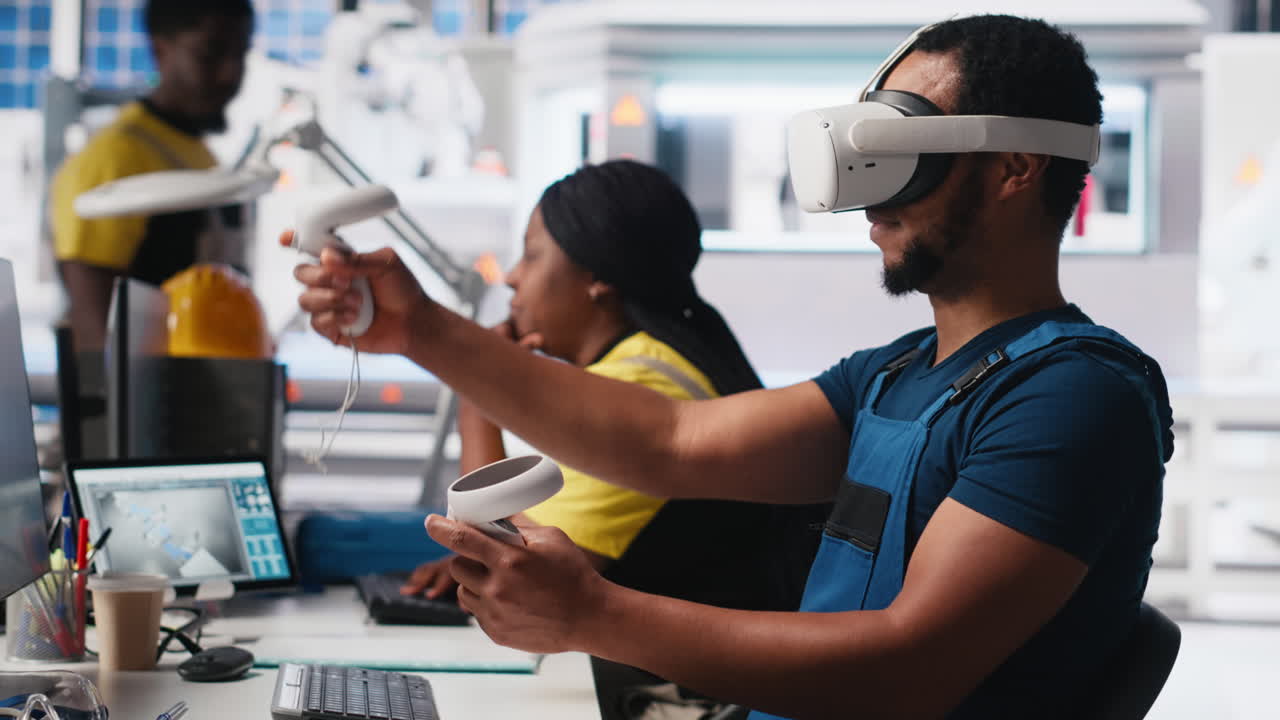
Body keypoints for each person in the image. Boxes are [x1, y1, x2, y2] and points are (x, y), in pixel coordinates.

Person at [290, 15, 1174, 719]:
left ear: (1017, 168)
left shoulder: (1070, 395)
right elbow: (668, 441)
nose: (868, 190)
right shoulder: (899, 372)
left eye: (906, 155)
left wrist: (593, 615)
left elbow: (907, 676)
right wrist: (420, 329)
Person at [399, 160, 821, 614]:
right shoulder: (651, 360)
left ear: (595, 276)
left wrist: (478, 389)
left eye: (532, 254)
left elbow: (507, 568)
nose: (511, 276)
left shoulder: (646, 380)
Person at [50, 0, 254, 351]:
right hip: (148, 399)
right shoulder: (116, 158)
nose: (229, 73)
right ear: (161, 50)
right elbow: (95, 333)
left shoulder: (196, 152)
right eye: (210, 54)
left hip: (202, 389)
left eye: (241, 53)